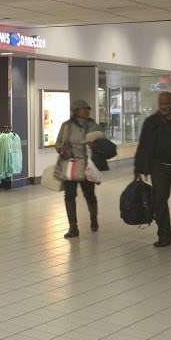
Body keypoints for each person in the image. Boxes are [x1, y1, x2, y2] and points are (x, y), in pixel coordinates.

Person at [135, 91, 171, 248]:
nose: (164, 107)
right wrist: (139, 167)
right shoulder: (151, 121)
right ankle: (164, 236)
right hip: (158, 167)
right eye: (162, 104)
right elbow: (143, 145)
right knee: (159, 201)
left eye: (167, 103)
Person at [55, 99, 101, 239]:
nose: (87, 111)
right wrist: (61, 149)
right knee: (69, 196)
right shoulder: (66, 126)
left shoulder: (93, 125)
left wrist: (95, 145)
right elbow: (58, 143)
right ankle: (73, 227)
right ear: (76, 111)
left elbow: (102, 143)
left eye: (88, 109)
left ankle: (93, 220)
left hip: (86, 166)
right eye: (83, 109)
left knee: (89, 195)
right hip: (70, 165)